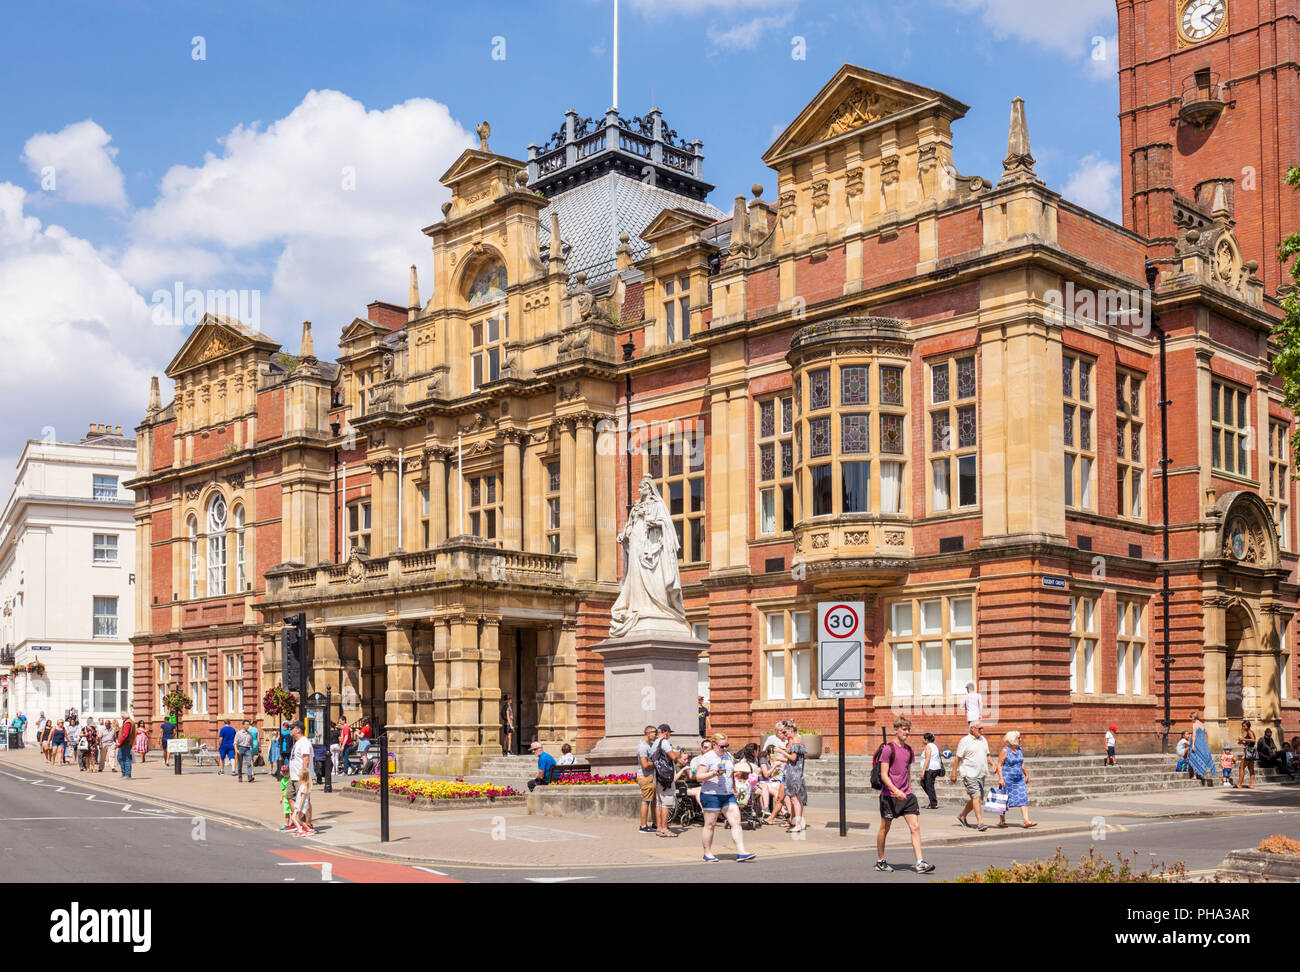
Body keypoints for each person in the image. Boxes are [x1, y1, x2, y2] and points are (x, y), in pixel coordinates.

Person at [875, 716, 934, 873]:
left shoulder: (909, 750)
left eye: (908, 729)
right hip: (889, 796)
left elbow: (906, 771)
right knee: (884, 828)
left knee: (915, 827)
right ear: (896, 729)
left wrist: (907, 788)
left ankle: (920, 862)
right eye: (904, 729)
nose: (907, 732)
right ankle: (880, 860)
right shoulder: (888, 749)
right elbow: (883, 775)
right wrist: (896, 790)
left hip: (906, 795)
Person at [696, 733, 756, 863]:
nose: (725, 748)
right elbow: (699, 777)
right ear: (714, 745)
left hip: (727, 794)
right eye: (722, 746)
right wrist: (713, 773)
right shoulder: (707, 758)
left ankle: (741, 852)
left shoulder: (728, 756)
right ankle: (707, 853)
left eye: (727, 746)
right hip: (711, 794)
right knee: (710, 824)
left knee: (736, 822)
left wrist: (734, 790)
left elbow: (730, 775)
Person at [952, 721, 992, 831]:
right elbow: (957, 758)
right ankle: (980, 823)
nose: (982, 731)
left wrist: (993, 764)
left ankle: (962, 816)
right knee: (976, 796)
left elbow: (987, 755)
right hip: (969, 773)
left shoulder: (983, 740)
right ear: (972, 729)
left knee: (976, 798)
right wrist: (954, 773)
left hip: (981, 773)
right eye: (980, 728)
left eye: (982, 728)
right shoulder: (964, 741)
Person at [995, 731, 1036, 829]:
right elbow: (999, 765)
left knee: (1023, 797)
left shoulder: (1020, 749)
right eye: (1019, 738)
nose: (1021, 739)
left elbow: (1022, 763)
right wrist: (1000, 778)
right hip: (1007, 779)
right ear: (1013, 739)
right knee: (1003, 799)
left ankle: (1026, 821)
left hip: (1019, 779)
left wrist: (1026, 774)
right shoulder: (1005, 750)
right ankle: (1002, 820)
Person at [650, 724, 682, 836]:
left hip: (658, 776)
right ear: (665, 732)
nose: (669, 735)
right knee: (666, 803)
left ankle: (659, 828)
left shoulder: (655, 743)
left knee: (659, 803)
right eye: (669, 733)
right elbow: (673, 756)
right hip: (666, 778)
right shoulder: (664, 742)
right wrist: (679, 757)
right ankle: (664, 828)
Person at [287, 721, 315, 834]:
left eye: (292, 728)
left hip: (301, 777)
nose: (290, 730)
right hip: (293, 776)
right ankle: (297, 822)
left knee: (305, 801)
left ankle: (308, 824)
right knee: (290, 797)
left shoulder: (304, 742)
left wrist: (304, 777)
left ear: (298, 729)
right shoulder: (297, 742)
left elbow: (306, 759)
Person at [779, 724, 807, 833]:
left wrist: (782, 752)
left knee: (794, 799)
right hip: (796, 773)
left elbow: (793, 758)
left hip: (793, 773)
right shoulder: (798, 740)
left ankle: (798, 824)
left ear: (791, 730)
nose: (784, 735)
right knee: (797, 799)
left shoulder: (795, 741)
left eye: (785, 732)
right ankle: (800, 823)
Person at [636, 724, 659, 834]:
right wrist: (656, 763)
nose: (656, 734)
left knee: (653, 801)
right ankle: (643, 826)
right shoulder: (643, 747)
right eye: (655, 733)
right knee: (646, 801)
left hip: (650, 776)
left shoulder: (650, 744)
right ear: (648, 733)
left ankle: (655, 824)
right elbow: (645, 765)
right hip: (645, 776)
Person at [758, 741, 785, 823]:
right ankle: (783, 811)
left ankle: (783, 811)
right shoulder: (763, 760)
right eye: (774, 754)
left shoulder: (769, 760)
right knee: (778, 789)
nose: (775, 756)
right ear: (770, 753)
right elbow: (765, 775)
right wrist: (774, 767)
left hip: (767, 782)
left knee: (779, 789)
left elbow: (768, 776)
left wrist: (774, 774)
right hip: (762, 783)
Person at [686, 739, 712, 815]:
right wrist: (698, 767)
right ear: (701, 748)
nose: (707, 750)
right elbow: (692, 777)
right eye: (705, 747)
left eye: (709, 748)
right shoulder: (696, 760)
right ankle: (706, 811)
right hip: (698, 784)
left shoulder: (715, 759)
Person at [919, 732, 943, 809]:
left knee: (929, 785)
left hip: (931, 769)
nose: (922, 740)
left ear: (926, 740)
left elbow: (928, 758)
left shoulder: (928, 746)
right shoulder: (934, 746)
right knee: (924, 783)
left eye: (923, 738)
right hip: (935, 768)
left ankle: (933, 803)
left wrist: (923, 771)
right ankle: (932, 800)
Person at [1189, 712, 1214, 786]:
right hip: (1202, 743)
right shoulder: (1202, 724)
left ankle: (1195, 775)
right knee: (1201, 758)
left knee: (1195, 757)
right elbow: (1205, 734)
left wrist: (1193, 744)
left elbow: (1194, 735)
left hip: (1196, 742)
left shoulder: (1194, 725)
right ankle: (1202, 773)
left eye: (1191, 717)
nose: (1190, 719)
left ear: (1194, 717)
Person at [1236, 720, 1257, 789]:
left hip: (1248, 752)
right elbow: (1250, 743)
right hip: (1252, 751)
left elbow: (1253, 740)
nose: (1243, 727)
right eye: (1242, 726)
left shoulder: (1249, 732)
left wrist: (1243, 738)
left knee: (1241, 768)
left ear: (1247, 726)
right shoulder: (1249, 732)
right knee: (1251, 769)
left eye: (1244, 726)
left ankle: (1239, 784)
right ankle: (1251, 785)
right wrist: (1242, 742)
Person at [116, 712, 135, 779]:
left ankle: (127, 774)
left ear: (123, 716)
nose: (121, 717)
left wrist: (119, 742)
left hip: (125, 743)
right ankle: (125, 773)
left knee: (125, 758)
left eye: (121, 716)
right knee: (120, 757)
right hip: (125, 744)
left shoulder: (127, 723)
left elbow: (125, 734)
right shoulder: (128, 722)